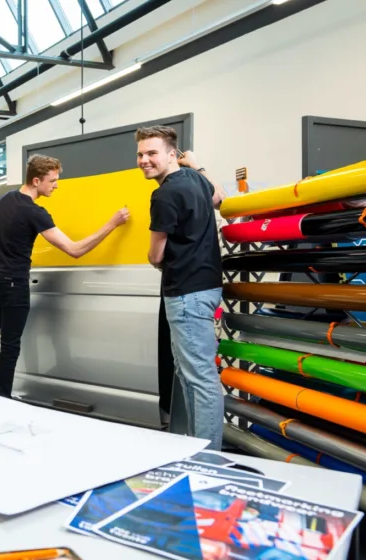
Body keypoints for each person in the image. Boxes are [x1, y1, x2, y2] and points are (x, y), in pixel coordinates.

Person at [0, 154, 130, 398]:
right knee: (10, 348)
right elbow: (75, 250)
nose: (56, 185)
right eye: (52, 180)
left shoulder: (4, 200)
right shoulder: (35, 212)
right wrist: (112, 224)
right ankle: (3, 401)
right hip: (14, 287)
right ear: (35, 180)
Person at [137, 125, 227, 450]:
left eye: (152, 153)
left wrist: (154, 260)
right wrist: (197, 164)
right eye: (141, 154)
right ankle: (193, 444)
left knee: (200, 376)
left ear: (171, 154)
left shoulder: (163, 194)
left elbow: (155, 253)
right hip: (206, 287)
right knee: (188, 371)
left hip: (186, 291)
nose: (144, 160)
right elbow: (220, 198)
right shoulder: (196, 179)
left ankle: (208, 455)